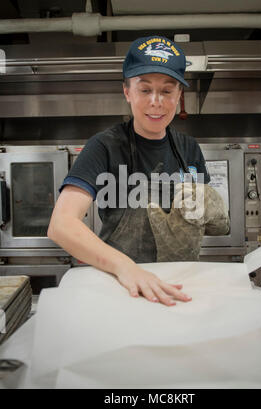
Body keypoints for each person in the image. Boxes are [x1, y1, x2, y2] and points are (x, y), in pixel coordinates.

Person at [47, 35, 212, 307]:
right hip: (120, 285)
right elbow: (61, 224)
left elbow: (203, 221)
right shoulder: (104, 146)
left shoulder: (189, 149)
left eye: (167, 91)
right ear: (127, 92)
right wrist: (127, 267)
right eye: (145, 90)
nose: (156, 101)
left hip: (178, 284)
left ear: (179, 94)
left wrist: (213, 211)